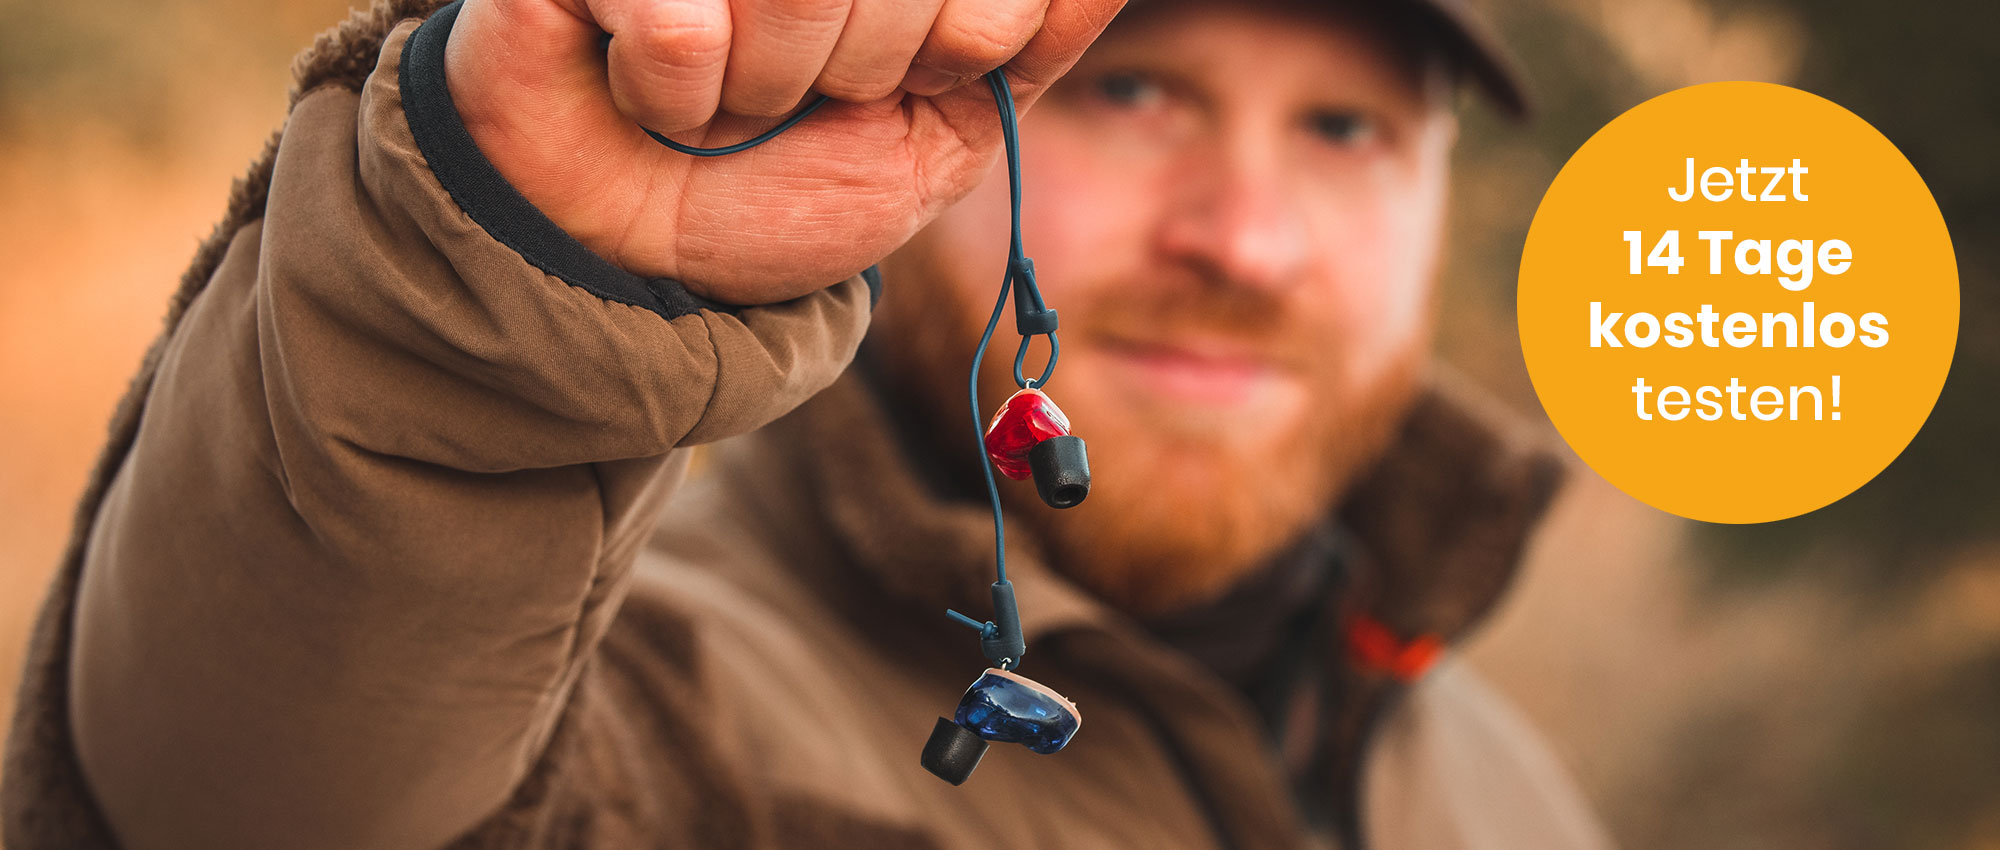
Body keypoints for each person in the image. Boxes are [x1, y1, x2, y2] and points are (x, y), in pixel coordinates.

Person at [1, 0, 1613, 847]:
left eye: (1346, 127)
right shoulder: (658, 718)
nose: (1246, 237)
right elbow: (268, 802)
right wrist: (495, 265)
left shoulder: (1492, 771)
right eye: (1132, 92)